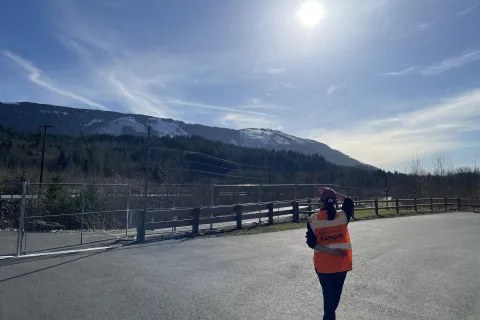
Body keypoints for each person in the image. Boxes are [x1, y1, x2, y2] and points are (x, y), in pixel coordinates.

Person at [305, 186, 354, 320]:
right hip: (341, 265)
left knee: (328, 297)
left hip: (323, 266)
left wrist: (330, 251)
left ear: (320, 202)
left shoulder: (313, 219)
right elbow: (349, 201)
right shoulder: (343, 216)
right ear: (336, 201)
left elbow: (311, 243)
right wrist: (333, 193)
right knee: (334, 298)